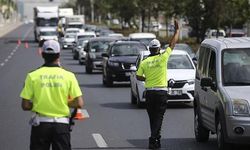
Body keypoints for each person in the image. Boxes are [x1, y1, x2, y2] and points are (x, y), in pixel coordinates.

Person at [20, 40, 84, 150]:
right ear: (58, 55)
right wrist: (63, 102)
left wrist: (38, 103)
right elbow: (79, 103)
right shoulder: (69, 76)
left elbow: (25, 105)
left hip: (40, 125)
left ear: (42, 54)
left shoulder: (32, 76)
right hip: (61, 126)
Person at [136, 20, 180, 149]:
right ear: (159, 49)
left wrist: (147, 79)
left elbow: (138, 76)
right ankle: (153, 139)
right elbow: (172, 44)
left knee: (152, 118)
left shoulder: (144, 62)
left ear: (150, 49)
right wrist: (177, 31)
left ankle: (156, 139)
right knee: (159, 117)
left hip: (149, 93)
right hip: (161, 92)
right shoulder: (163, 58)